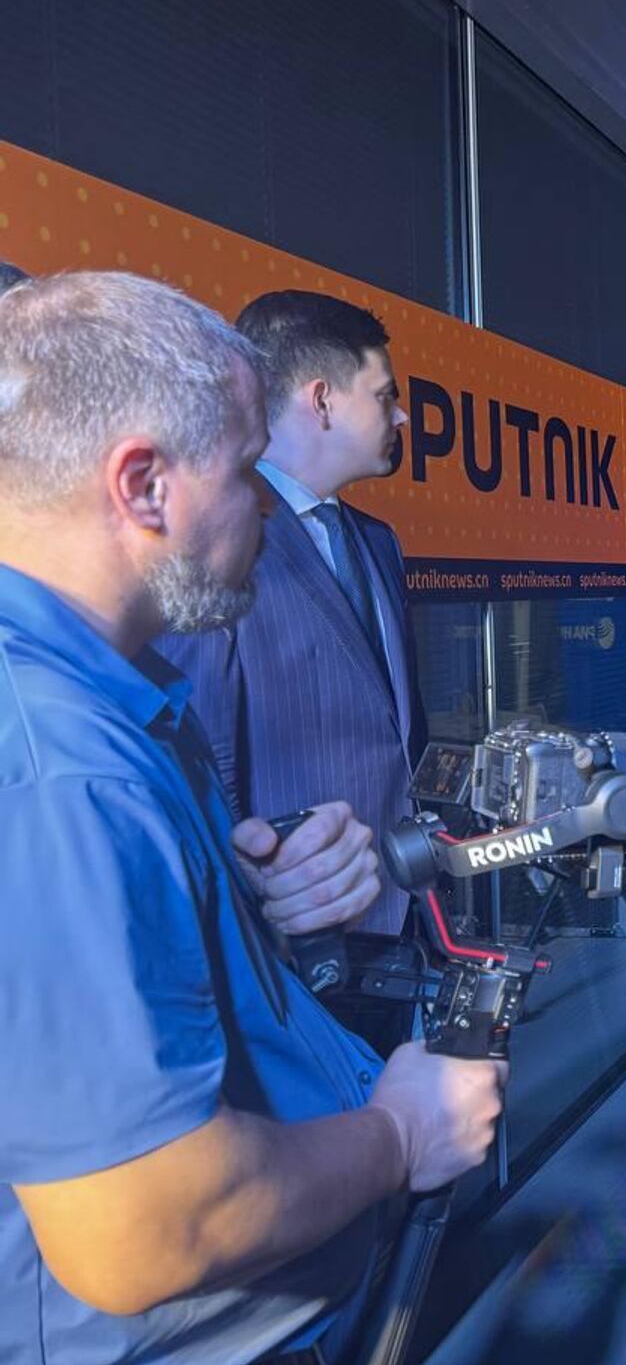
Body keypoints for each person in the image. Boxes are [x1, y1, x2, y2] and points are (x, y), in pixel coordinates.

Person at [0, 272, 503, 1363]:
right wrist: (401, 1132)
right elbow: (150, 1228)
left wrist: (244, 897)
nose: (265, 504)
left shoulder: (114, 703)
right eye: (240, 470)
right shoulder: (61, 765)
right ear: (144, 486)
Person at [158, 290, 423, 936]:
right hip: (297, 926)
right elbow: (200, 751)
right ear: (322, 400)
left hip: (408, 903)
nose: (401, 415)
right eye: (384, 394)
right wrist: (251, 899)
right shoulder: (220, 539)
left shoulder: (378, 541)